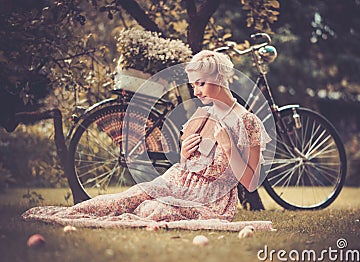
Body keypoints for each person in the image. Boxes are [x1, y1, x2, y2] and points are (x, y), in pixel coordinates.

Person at [21, 50, 271, 229]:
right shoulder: (203, 113)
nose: (196, 91)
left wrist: (228, 147)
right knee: (130, 197)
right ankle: (71, 213)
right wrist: (185, 152)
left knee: (153, 210)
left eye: (201, 84)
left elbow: (250, 182)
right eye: (193, 85)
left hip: (211, 200)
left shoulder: (246, 122)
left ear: (219, 78)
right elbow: (186, 163)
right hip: (175, 181)